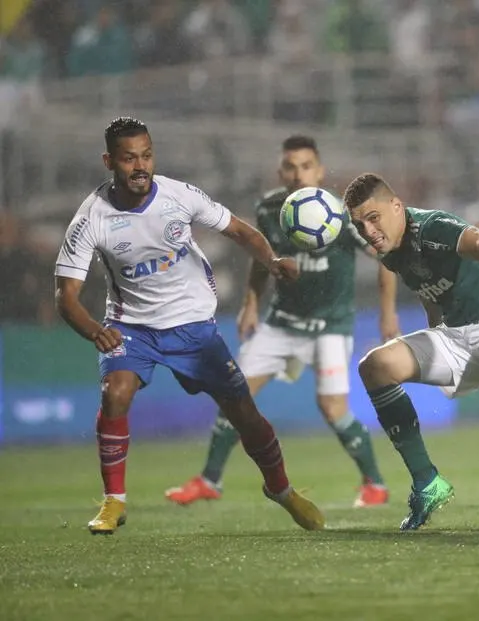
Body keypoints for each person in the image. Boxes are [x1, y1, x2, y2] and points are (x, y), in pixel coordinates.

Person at [54, 117, 324, 535]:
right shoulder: (92, 218)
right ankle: (114, 501)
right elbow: (65, 296)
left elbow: (239, 230)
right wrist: (94, 329)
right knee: (115, 394)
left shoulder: (179, 195)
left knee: (246, 416)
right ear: (109, 161)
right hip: (133, 328)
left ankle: (282, 490)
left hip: (193, 327)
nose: (140, 166)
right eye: (129, 158)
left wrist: (271, 261)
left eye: (146, 155)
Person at [165, 135, 398, 508]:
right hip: (281, 323)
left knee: (333, 408)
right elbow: (261, 260)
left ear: (319, 171)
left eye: (306, 166)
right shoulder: (270, 208)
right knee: (233, 397)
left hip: (329, 326)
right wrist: (251, 304)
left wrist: (388, 313)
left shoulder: (341, 213)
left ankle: (375, 483)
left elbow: (385, 257)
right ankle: (210, 479)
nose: (298, 174)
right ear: (280, 171)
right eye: (290, 166)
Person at [342, 172, 479, 531]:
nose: (368, 231)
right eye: (359, 225)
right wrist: (435, 328)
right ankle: (427, 482)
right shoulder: (393, 253)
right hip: (457, 336)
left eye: (374, 218)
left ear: (397, 207)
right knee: (376, 365)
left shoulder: (433, 227)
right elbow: (427, 286)